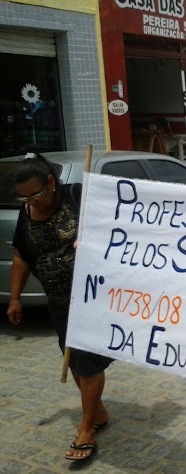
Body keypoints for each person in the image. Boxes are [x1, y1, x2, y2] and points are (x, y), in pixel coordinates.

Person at [8, 153, 113, 461]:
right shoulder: (26, 213)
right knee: (74, 362)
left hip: (92, 298)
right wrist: (15, 298)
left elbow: (115, 225)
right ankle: (98, 412)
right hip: (59, 302)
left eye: (36, 193)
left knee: (88, 361)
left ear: (51, 183)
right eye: (24, 196)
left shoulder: (77, 197)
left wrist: (93, 240)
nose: (31, 201)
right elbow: (21, 257)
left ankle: (86, 428)